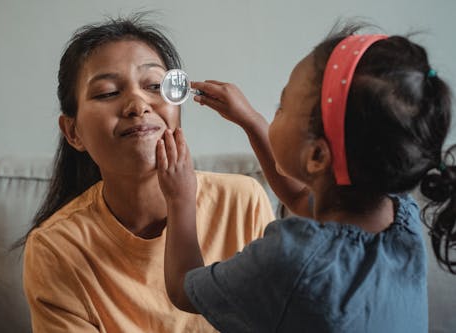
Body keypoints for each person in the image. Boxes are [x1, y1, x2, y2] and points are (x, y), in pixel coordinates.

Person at [157, 23, 455, 332]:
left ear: (316, 157)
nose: (275, 112)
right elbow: (300, 199)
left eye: (281, 106)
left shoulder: (290, 260)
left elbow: (182, 289)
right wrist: (252, 122)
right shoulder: (401, 219)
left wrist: (180, 198)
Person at [21, 14, 276, 333]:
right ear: (73, 132)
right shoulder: (55, 247)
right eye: (107, 92)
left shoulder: (242, 202)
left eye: (155, 86)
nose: (137, 104)